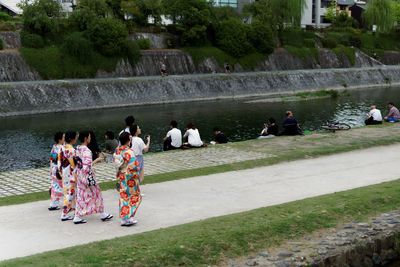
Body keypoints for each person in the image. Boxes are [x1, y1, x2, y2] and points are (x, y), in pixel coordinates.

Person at [73, 131, 113, 224]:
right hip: (87, 176)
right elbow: (86, 166)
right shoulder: (87, 151)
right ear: (86, 138)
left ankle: (77, 216)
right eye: (89, 137)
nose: (90, 138)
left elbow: (78, 163)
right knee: (97, 193)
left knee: (81, 195)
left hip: (79, 175)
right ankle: (102, 213)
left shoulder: (78, 149)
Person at [115, 132, 142, 226]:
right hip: (130, 177)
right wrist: (137, 175)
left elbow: (117, 165)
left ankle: (124, 218)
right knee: (135, 196)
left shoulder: (117, 151)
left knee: (123, 196)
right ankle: (129, 216)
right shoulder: (129, 152)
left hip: (122, 176)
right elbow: (134, 166)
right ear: (128, 140)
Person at [59, 131, 78, 221]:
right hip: (71, 174)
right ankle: (64, 213)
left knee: (69, 192)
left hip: (64, 172)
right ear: (72, 139)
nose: (76, 139)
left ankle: (75, 211)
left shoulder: (62, 148)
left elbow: (59, 161)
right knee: (70, 193)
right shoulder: (71, 150)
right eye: (75, 137)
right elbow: (73, 164)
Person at [48, 132, 64, 211]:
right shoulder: (62, 148)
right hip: (59, 169)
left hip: (54, 169)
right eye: (63, 137)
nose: (65, 138)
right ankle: (69, 202)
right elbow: (61, 160)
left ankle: (53, 203)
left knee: (55, 186)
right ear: (60, 139)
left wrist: (51, 169)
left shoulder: (54, 147)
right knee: (64, 185)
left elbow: (51, 159)